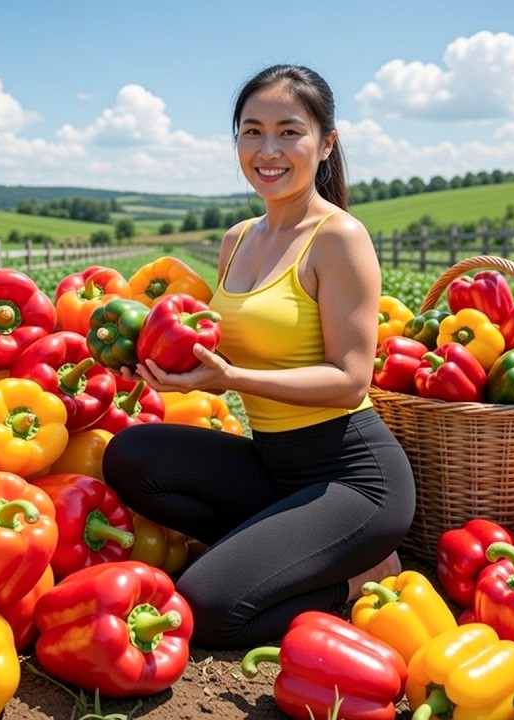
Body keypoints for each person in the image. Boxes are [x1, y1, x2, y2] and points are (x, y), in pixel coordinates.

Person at [102, 64, 416, 649]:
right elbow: (219, 349)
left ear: (326, 144)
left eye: (289, 132)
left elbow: (350, 381)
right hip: (273, 467)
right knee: (130, 456)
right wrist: (155, 360)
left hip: (351, 480)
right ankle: (274, 551)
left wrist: (232, 378)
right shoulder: (238, 239)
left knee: (206, 610)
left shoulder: (338, 238)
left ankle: (357, 577)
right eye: (252, 132)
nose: (268, 150)